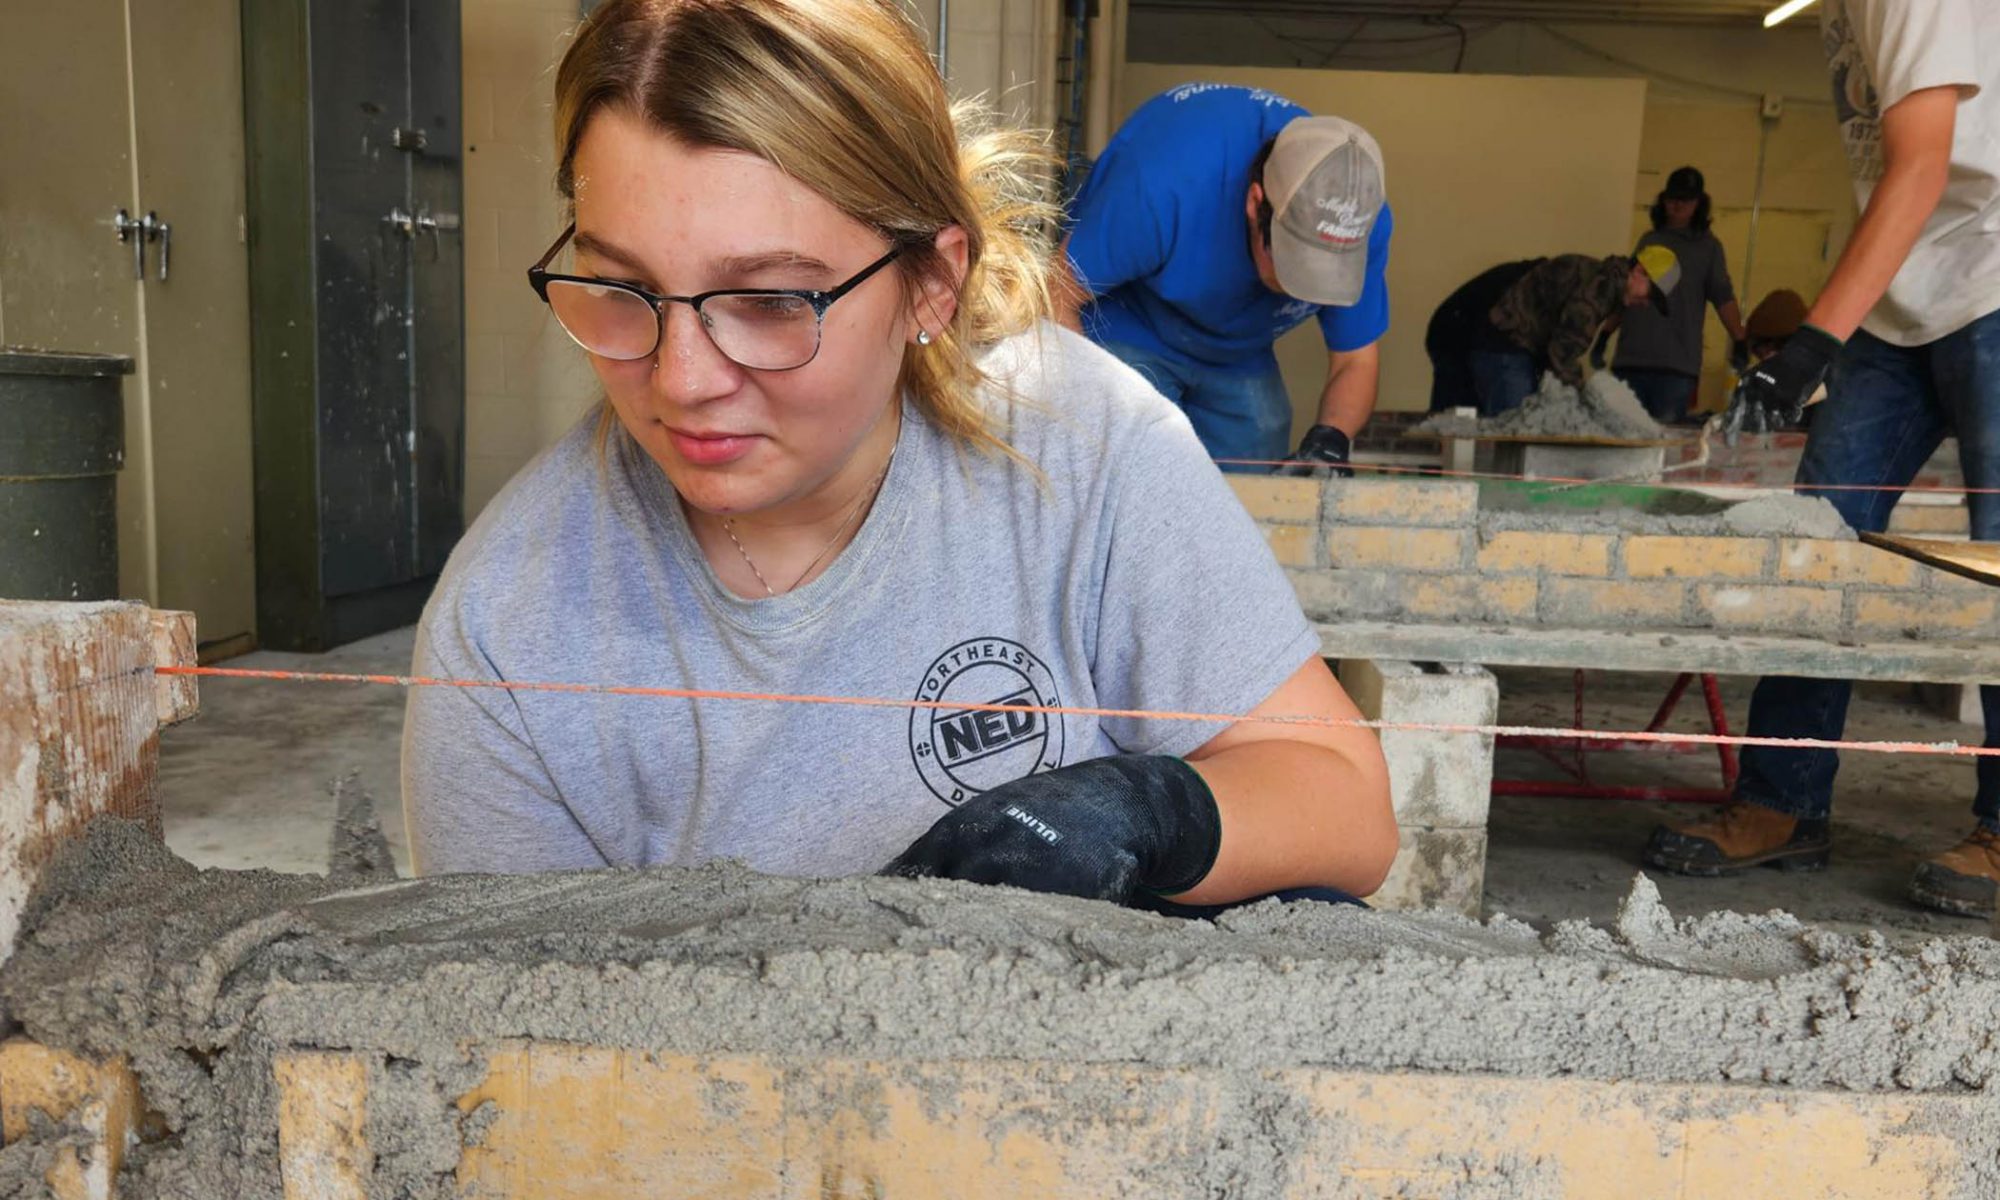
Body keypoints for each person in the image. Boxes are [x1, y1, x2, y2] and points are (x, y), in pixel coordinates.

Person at [401, 0, 1396, 912]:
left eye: (770, 300)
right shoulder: (509, 630)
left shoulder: (1080, 443)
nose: (682, 381)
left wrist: (1153, 811)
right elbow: (509, 1056)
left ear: (930, 283)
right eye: (622, 288)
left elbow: (1349, 814)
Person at [1648, 0, 2000, 918]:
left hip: (1995, 273)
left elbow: (1922, 164)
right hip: (1904, 293)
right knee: (1821, 547)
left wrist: (1805, 349)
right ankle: (1784, 802)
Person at [1053, 83, 1393, 476]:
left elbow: (1356, 359)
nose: (1300, 283)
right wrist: (1088, 421)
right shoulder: (1166, 184)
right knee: (1131, 461)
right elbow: (1054, 293)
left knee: (1262, 454)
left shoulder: (1359, 223)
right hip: (1129, 320)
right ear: (1255, 203)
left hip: (1238, 349)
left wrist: (1330, 440)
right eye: (1292, 261)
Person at [1456, 250, 1678, 418]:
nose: (1646, 304)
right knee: (1516, 435)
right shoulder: (1597, 291)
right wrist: (1587, 402)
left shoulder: (1605, 279)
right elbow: (1562, 354)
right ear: (1639, 271)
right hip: (1504, 349)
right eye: (1651, 295)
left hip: (1511, 347)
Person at [1610, 166, 1750, 425]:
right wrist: (1606, 332)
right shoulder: (1649, 239)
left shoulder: (1709, 248)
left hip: (1675, 368)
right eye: (1671, 198)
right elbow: (1626, 291)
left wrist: (1739, 337)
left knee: (1665, 446)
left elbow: (1723, 296)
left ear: (1698, 203)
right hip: (1631, 359)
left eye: (1684, 200)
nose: (1676, 205)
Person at [1423, 257, 1542, 414]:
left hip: (1451, 331)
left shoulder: (1525, 280)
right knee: (1459, 409)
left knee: (1460, 411)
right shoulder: (1525, 289)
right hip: (1454, 335)